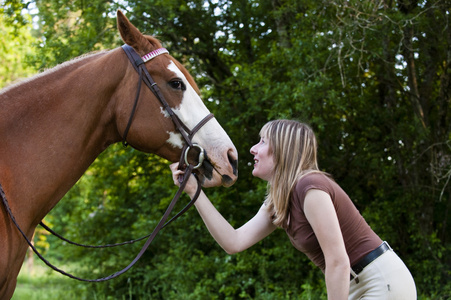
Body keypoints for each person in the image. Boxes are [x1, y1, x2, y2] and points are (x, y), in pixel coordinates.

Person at [170, 119, 416, 299]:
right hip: (354, 285)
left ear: (284, 150)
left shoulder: (311, 187)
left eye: (262, 141)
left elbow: (338, 261)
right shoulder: (279, 200)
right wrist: (194, 191)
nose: (253, 149)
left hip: (381, 281)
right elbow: (234, 242)